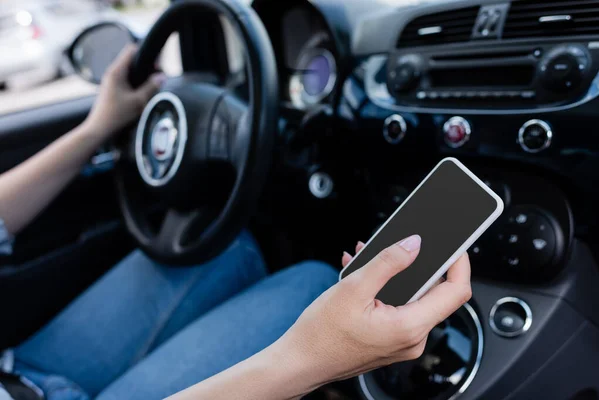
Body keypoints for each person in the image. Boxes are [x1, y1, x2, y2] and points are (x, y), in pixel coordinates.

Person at [0, 46, 472, 400]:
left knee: (228, 246)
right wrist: (308, 361)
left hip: (21, 371)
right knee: (314, 282)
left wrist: (98, 127)